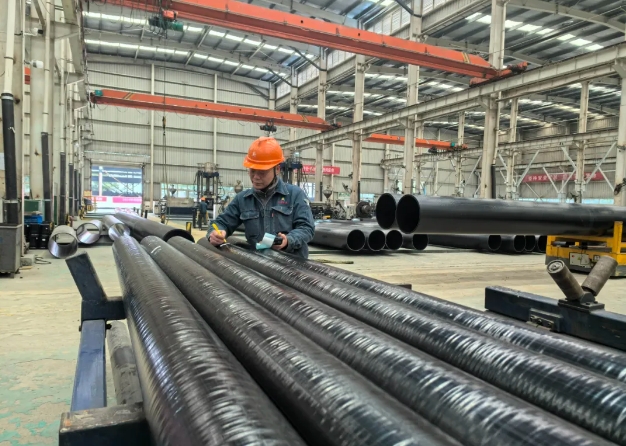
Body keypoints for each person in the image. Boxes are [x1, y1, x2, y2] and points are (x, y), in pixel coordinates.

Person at [207, 137, 315, 258]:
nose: (256, 177)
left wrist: (288, 240)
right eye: (252, 171)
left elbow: (307, 228)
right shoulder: (243, 199)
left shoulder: (295, 195)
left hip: (291, 265)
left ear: (277, 169)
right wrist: (215, 233)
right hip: (259, 265)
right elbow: (221, 222)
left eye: (262, 172)